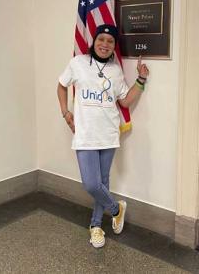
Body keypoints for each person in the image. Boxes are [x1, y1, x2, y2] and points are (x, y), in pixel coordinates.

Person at [57, 24, 149, 248]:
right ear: (94, 41)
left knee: (103, 182)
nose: (105, 44)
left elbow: (125, 100)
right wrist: (65, 113)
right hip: (86, 133)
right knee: (91, 184)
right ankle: (117, 209)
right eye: (101, 40)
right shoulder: (77, 63)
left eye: (110, 41)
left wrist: (141, 79)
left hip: (108, 133)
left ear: (113, 46)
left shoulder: (115, 71)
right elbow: (61, 86)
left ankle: (96, 226)